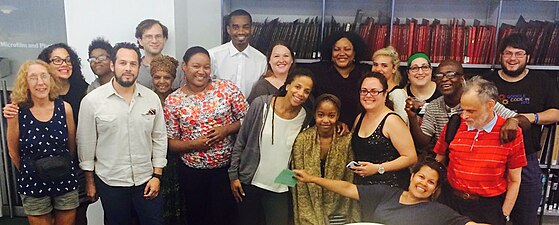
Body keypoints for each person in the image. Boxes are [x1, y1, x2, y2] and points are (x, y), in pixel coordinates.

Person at [77, 42, 167, 225]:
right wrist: (90, 182)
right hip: (111, 182)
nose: (128, 68)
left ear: (139, 67)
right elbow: (86, 145)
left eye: (133, 64)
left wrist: (157, 175)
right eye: (123, 63)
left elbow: (159, 138)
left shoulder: (151, 98)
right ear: (112, 65)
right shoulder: (92, 101)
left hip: (146, 180)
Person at [164, 46, 247, 225]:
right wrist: (193, 145)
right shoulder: (173, 100)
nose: (202, 71)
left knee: (227, 217)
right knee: (198, 218)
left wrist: (226, 129)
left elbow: (248, 120)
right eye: (196, 66)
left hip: (226, 171)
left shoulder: (226, 89)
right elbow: (169, 142)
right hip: (192, 173)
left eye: (206, 67)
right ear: (184, 67)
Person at [482, 33, 559, 225]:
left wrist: (529, 118)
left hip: (526, 158)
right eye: (508, 53)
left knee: (525, 217)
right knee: (490, 215)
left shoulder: (542, 81)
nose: (513, 58)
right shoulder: (486, 82)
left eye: (519, 54)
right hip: (492, 157)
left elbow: (556, 113)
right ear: (500, 55)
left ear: (528, 57)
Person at [434, 76, 527, 225]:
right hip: (451, 201)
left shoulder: (510, 133)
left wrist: (504, 214)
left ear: (490, 105)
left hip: (487, 207)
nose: (465, 116)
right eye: (462, 109)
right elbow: (438, 161)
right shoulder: (455, 124)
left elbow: (514, 180)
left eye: (471, 111)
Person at [229, 68, 315, 225]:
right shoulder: (261, 104)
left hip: (281, 186)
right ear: (288, 85)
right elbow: (241, 141)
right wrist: (233, 176)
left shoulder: (306, 117)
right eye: (297, 86)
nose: (301, 93)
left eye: (306, 91)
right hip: (250, 181)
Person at [293, 158, 489, 225]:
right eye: (421, 177)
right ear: (412, 177)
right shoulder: (387, 194)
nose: (423, 184)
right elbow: (348, 188)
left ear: (435, 189)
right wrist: (311, 179)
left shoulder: (440, 212)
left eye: (431, 182)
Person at [7, 60, 79, 225]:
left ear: (51, 80)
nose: (40, 82)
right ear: (25, 83)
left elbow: (72, 146)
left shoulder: (65, 108)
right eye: (33, 77)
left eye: (44, 76)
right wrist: (31, 169)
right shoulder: (17, 112)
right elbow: (13, 151)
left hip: (64, 178)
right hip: (33, 182)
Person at [407, 59, 519, 152]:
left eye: (451, 75)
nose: (445, 79)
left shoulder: (478, 100)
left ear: (462, 79)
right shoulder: (433, 106)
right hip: (446, 161)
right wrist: (412, 117)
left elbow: (522, 120)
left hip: (479, 158)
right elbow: (423, 142)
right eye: (440, 76)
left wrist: (514, 120)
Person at [291, 94, 359, 225]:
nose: (326, 120)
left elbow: (350, 176)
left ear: (338, 116)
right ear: (314, 114)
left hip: (340, 205)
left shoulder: (346, 140)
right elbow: (299, 184)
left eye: (331, 115)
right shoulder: (302, 140)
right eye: (321, 115)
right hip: (309, 206)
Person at [349, 71, 417, 188]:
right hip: (363, 188)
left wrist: (378, 168)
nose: (368, 95)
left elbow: (411, 158)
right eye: (364, 91)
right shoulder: (359, 118)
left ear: (385, 94)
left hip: (390, 188)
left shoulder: (392, 121)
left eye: (374, 91)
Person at [305, 31, 371, 126]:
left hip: (361, 128)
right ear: (330, 53)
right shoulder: (316, 71)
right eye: (336, 49)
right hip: (326, 128)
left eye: (347, 49)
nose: (341, 53)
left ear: (355, 52)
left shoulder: (365, 72)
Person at [149, 54, 182, 225]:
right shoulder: (146, 99)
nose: (162, 81)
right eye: (157, 77)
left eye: (167, 77)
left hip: (176, 159)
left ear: (173, 78)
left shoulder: (179, 99)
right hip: (152, 161)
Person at [209, 9, 267, 96]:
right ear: (228, 29)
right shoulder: (213, 55)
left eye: (246, 27)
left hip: (250, 108)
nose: (241, 32)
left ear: (252, 29)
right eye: (235, 27)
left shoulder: (261, 60)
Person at [135, 19, 183, 89]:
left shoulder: (178, 68)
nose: (154, 41)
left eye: (158, 36)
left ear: (165, 39)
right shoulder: (134, 69)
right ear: (140, 41)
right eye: (149, 37)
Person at [371, 46, 408, 125]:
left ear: (394, 68)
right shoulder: (370, 90)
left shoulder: (397, 94)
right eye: (375, 64)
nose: (378, 69)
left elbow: (402, 124)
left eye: (384, 66)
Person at [404, 52, 441, 117]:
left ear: (431, 70)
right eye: (414, 68)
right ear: (408, 73)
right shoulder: (402, 94)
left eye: (425, 67)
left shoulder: (442, 92)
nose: (420, 72)